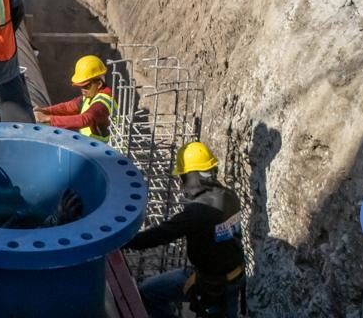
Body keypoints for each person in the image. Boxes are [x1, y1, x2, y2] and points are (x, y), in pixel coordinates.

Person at [122, 142, 246, 318]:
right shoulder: (229, 196)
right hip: (234, 276)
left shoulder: (198, 211)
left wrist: (124, 241)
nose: (181, 182)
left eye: (183, 176)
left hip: (213, 284)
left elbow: (160, 235)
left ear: (192, 176)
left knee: (149, 293)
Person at [33, 55, 116, 141]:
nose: (83, 90)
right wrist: (44, 110)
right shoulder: (91, 95)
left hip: (105, 150)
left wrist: (47, 119)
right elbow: (68, 107)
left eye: (86, 86)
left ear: (99, 84)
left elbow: (85, 119)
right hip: (92, 145)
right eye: (81, 86)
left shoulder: (101, 104)